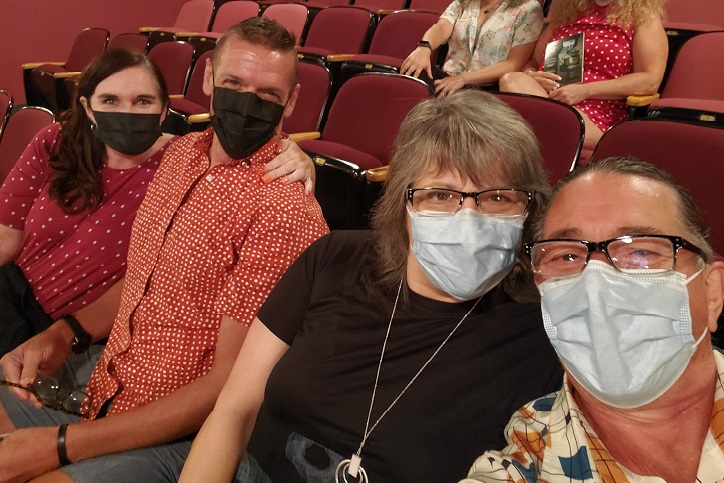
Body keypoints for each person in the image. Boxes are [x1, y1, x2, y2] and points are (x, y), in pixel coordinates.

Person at [0, 18, 329, 482]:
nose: (247, 103)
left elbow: (230, 387)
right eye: (233, 83)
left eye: (269, 95)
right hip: (106, 392)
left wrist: (56, 447)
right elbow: (144, 279)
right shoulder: (179, 155)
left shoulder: (282, 211)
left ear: (292, 101)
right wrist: (62, 334)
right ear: (209, 77)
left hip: (179, 436)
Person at [179, 89, 564, 483]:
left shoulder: (547, 334)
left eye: (498, 196)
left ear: (530, 207)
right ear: (404, 204)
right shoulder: (332, 258)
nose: (468, 218)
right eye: (440, 194)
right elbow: (235, 409)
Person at [0, 48, 316, 358]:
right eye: (110, 100)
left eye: (143, 101)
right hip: (8, 291)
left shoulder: (183, 163)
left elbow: (248, 150)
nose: (127, 113)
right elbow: (6, 236)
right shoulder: (56, 141)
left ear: (164, 110)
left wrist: (295, 154)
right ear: (89, 107)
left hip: (72, 331)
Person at [461, 156, 724, 482]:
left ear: (713, 292)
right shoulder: (527, 461)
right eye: (567, 256)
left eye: (641, 251)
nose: (596, 283)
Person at [499, 0, 668, 150]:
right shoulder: (568, 15)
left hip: (595, 115)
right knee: (512, 79)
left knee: (511, 127)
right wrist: (533, 76)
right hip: (546, 99)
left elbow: (649, 80)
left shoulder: (642, 19)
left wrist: (586, 91)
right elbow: (533, 63)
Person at [400, 0, 543, 97]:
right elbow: (442, 27)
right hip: (449, 78)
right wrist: (424, 47)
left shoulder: (529, 8)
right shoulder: (463, 2)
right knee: (413, 69)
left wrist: (463, 79)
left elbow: (514, 64)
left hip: (490, 88)